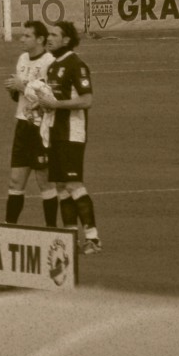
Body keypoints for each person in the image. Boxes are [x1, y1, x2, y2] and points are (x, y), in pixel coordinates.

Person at [38, 21, 100, 253]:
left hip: (72, 133)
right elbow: (52, 99)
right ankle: (70, 238)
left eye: (54, 35)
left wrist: (56, 104)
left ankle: (93, 238)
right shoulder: (53, 67)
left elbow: (87, 100)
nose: (49, 38)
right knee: (61, 186)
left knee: (73, 184)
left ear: (66, 40)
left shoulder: (77, 65)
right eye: (48, 34)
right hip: (55, 132)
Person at [3, 21, 57, 226]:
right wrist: (13, 90)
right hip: (23, 125)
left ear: (40, 39)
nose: (22, 39)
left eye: (27, 36)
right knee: (15, 181)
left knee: (45, 182)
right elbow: (20, 99)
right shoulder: (22, 59)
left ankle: (52, 231)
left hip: (41, 127)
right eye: (22, 35)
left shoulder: (49, 62)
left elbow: (48, 96)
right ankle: (9, 229)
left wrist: (22, 85)